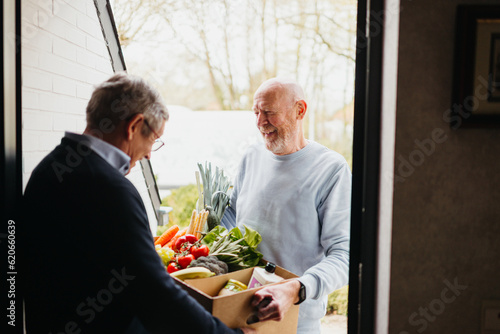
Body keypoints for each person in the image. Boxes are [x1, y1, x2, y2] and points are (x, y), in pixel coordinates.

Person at [21, 72, 254, 334]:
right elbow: (156, 298)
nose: (149, 154)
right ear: (133, 126)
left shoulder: (48, 168)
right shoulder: (109, 189)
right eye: (153, 139)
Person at [221, 77, 351, 333]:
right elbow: (232, 216)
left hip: (294, 322)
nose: (260, 123)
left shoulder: (331, 169)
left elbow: (344, 255)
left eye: (269, 112)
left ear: (300, 110)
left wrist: (295, 289)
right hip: (237, 314)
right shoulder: (251, 156)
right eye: (256, 113)